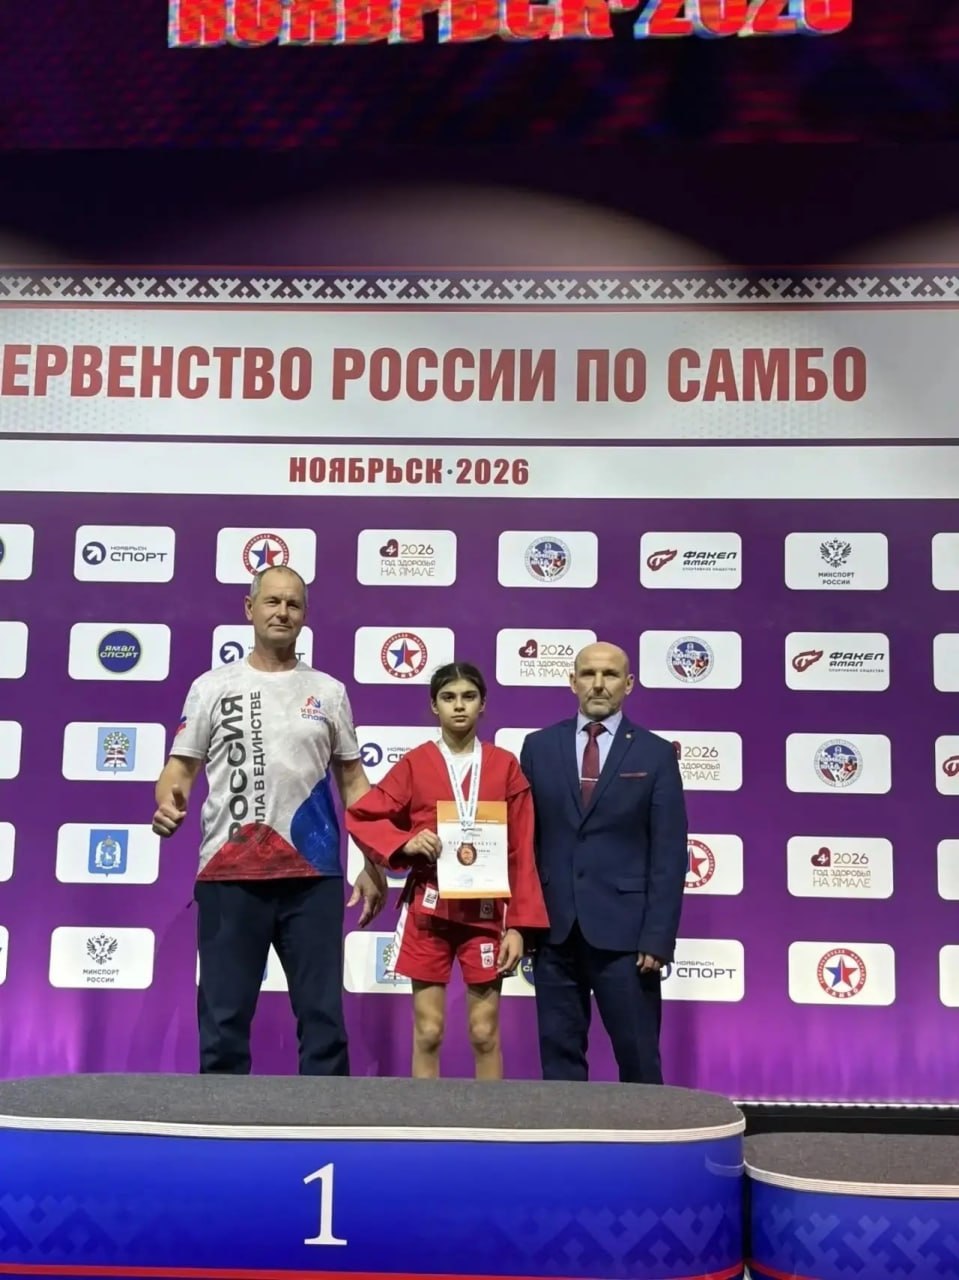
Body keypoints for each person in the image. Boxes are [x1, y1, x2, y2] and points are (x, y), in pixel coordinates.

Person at [151, 564, 387, 1076]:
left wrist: (372, 860)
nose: (282, 612)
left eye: (293, 604)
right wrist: (169, 803)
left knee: (323, 1022)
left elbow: (354, 783)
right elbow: (179, 770)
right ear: (249, 609)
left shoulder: (328, 691)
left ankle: (326, 1120)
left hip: (313, 877)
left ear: (305, 615)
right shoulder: (212, 687)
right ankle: (221, 1123)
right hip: (229, 875)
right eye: (272, 601)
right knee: (223, 1023)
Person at [346, 662, 548, 1080]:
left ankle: (490, 1119)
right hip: (429, 908)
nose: (459, 706)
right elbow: (364, 815)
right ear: (434, 706)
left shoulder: (505, 766)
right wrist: (404, 842)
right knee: (429, 1030)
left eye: (468, 697)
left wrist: (519, 926)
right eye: (449, 697)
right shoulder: (416, 763)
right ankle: (426, 1119)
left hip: (486, 912)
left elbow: (521, 851)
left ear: (483, 705)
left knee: (484, 1032)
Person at [519, 641, 687, 1085]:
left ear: (628, 684)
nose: (598, 684)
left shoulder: (655, 753)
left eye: (610, 674)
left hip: (628, 937)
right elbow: (525, 842)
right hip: (554, 931)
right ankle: (567, 1132)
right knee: (560, 1063)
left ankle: (647, 1132)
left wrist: (658, 937)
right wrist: (522, 923)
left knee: (638, 1059)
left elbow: (669, 853)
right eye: (588, 673)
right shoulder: (538, 747)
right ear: (571, 681)